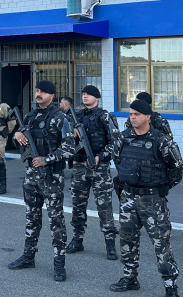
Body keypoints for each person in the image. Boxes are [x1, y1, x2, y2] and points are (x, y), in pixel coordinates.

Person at [108, 99, 183, 295]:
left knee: (161, 244)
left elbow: (177, 170)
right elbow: (118, 162)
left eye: (137, 114)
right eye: (131, 114)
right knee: (127, 240)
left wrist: (159, 188)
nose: (133, 117)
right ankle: (129, 278)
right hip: (128, 199)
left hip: (153, 201)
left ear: (147, 116)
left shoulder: (161, 140)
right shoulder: (122, 138)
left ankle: (170, 285)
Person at [8, 80, 72, 282]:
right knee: (31, 217)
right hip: (31, 176)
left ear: (52, 96)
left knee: (56, 221)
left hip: (51, 176)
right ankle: (28, 256)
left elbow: (69, 148)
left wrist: (47, 159)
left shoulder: (61, 118)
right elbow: (18, 139)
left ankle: (59, 264)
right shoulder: (30, 116)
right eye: (37, 91)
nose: (38, 94)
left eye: (43, 92)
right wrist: (17, 134)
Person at [67, 85, 120, 260]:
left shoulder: (105, 116)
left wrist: (101, 156)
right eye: (83, 94)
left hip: (100, 169)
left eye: (88, 94)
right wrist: (72, 135)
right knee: (78, 205)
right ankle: (77, 239)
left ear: (96, 98)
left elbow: (116, 143)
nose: (85, 97)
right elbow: (64, 141)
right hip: (79, 166)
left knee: (104, 206)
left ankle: (110, 243)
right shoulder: (76, 116)